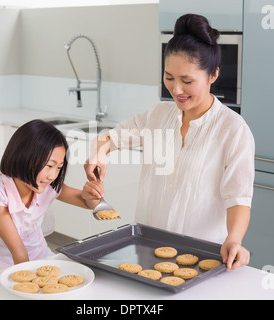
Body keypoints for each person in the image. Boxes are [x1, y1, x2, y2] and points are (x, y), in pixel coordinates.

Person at [85, 14, 255, 271]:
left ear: (213, 75)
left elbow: (238, 198)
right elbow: (110, 138)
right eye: (169, 77)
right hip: (146, 250)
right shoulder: (158, 114)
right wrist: (99, 151)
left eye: (187, 81)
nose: (176, 90)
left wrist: (234, 239)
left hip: (201, 258)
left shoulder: (233, 130)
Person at [0, 120, 104, 272]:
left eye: (59, 167)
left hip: (43, 258)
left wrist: (93, 192)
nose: (53, 175)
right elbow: (19, 253)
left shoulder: (47, 186)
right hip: (6, 269)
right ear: (23, 156)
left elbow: (91, 205)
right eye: (49, 166)